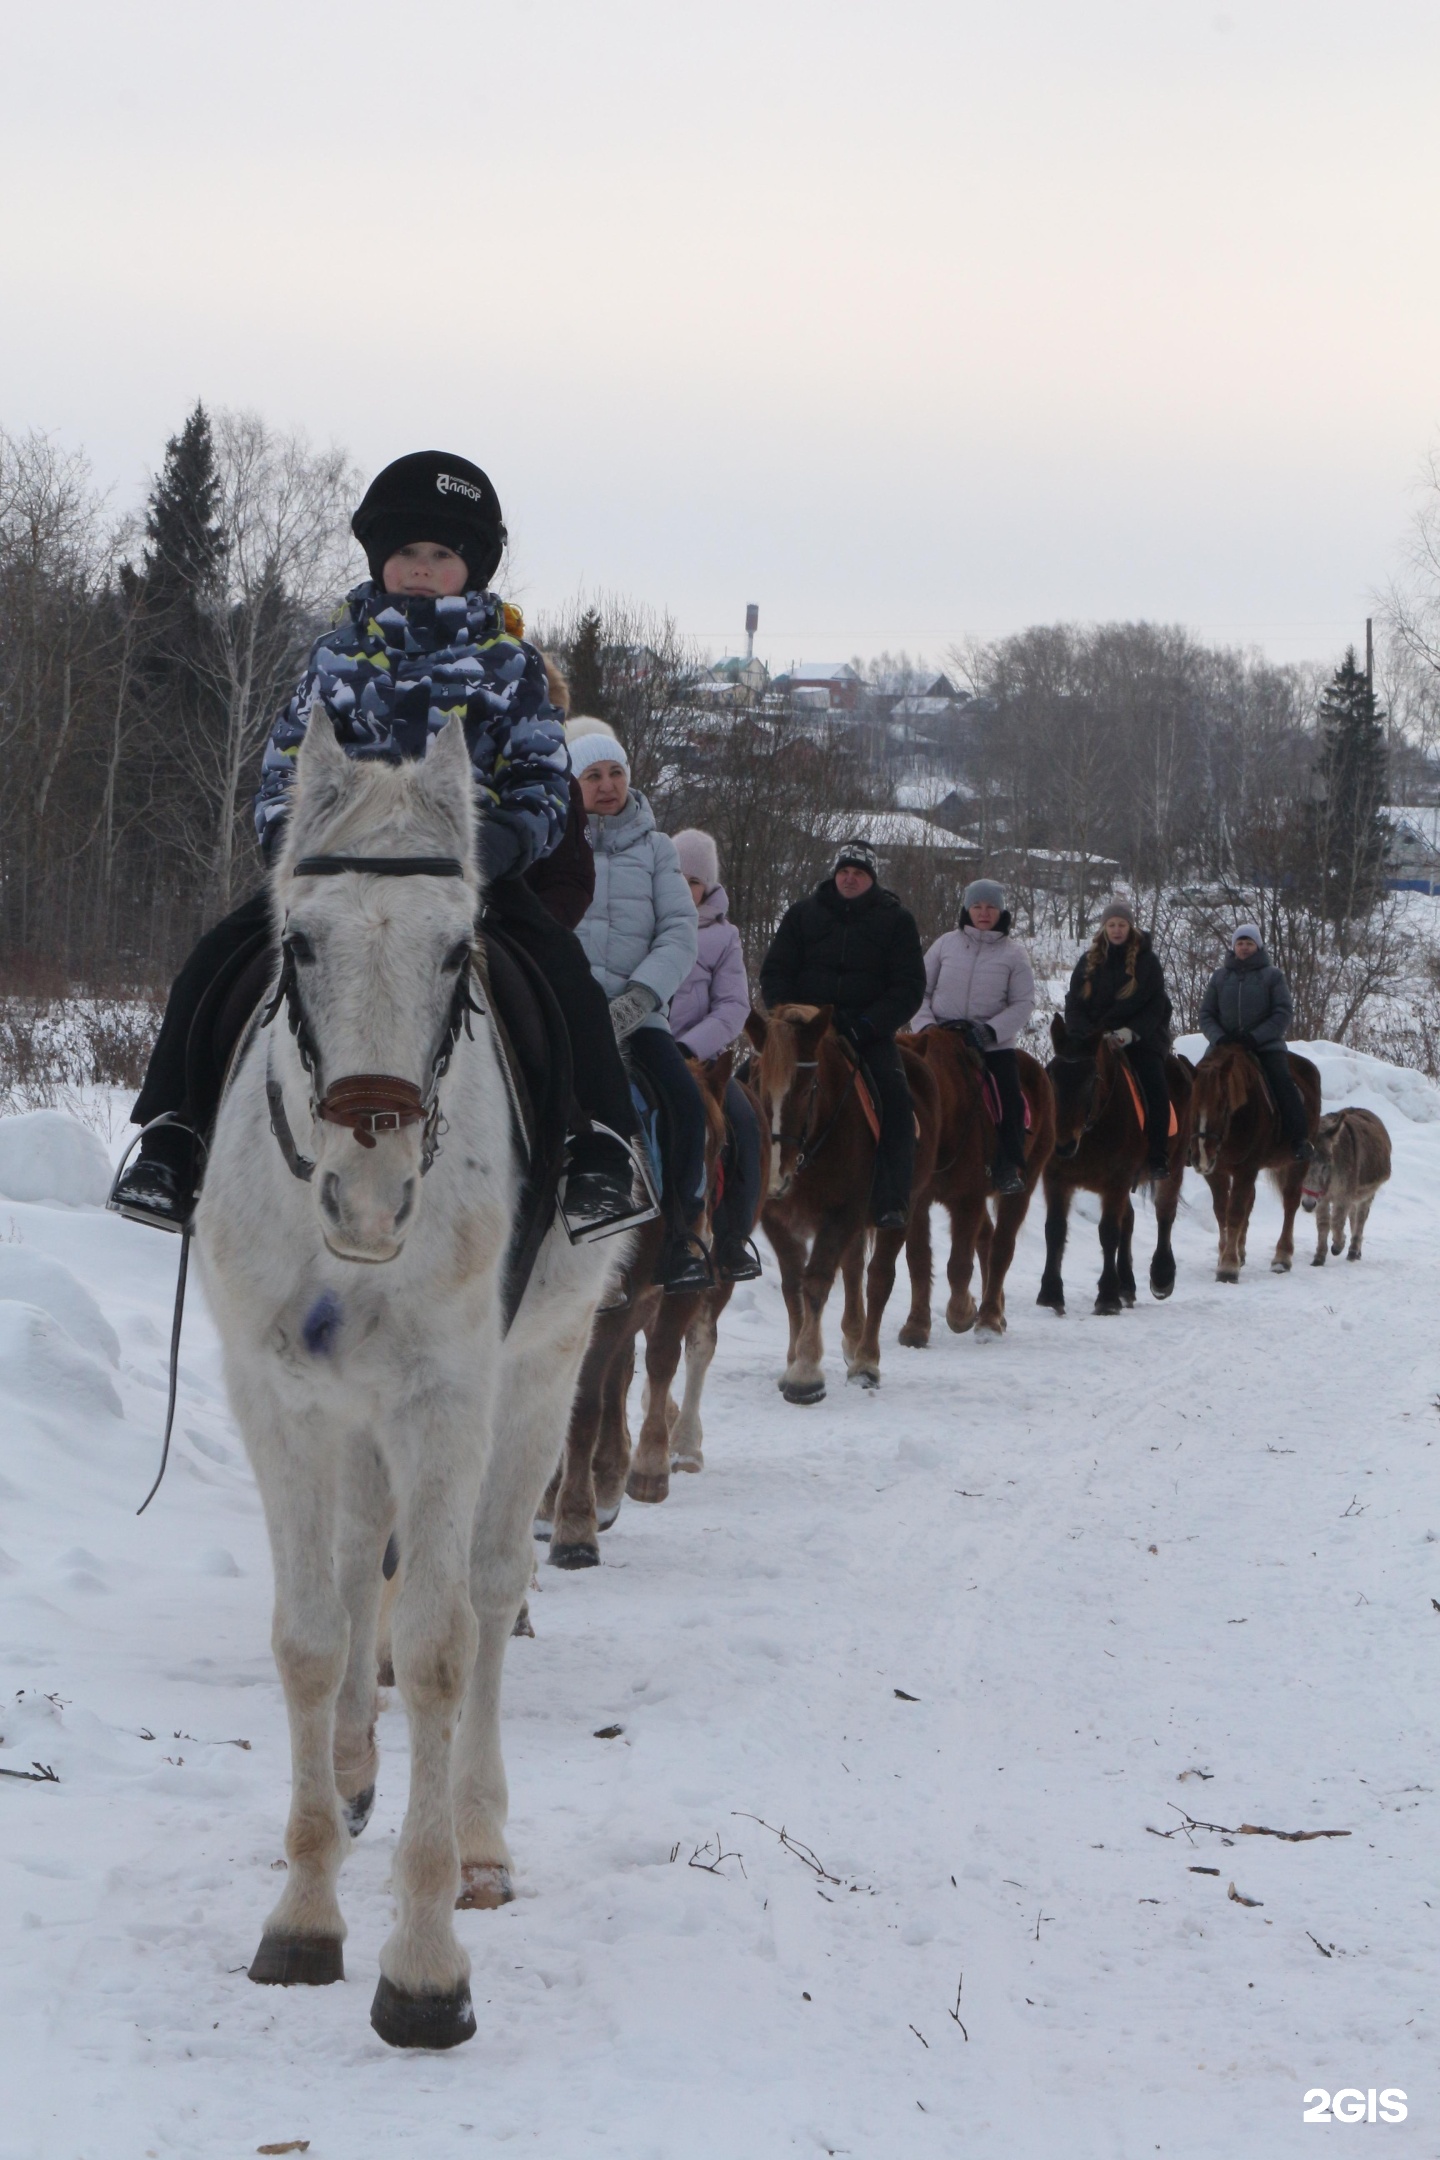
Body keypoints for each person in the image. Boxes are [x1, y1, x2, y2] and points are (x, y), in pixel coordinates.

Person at [111, 450, 640, 1236]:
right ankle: (175, 1133)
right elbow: (282, 774)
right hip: (340, 871)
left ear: (472, 567)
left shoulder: (509, 664)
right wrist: (293, 851)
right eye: (407, 554)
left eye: (442, 556)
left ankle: (596, 1141)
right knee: (217, 961)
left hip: (461, 875)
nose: (422, 570)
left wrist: (488, 853)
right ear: (380, 559)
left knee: (561, 976)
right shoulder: (333, 657)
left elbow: (538, 785)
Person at [568, 722, 711, 1294]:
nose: (607, 786)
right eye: (593, 776)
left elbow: (681, 930)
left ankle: (680, 1237)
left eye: (616, 773)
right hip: (570, 1014)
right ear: (573, 785)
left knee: (684, 1104)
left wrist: (642, 998)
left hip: (639, 1014)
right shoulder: (554, 847)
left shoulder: (657, 851)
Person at [759, 839, 926, 1228]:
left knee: (897, 1103)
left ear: (872, 879)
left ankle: (890, 1201)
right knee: (745, 1090)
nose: (850, 879)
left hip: (865, 1031)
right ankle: (740, 1187)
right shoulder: (802, 915)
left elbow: (908, 988)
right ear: (835, 875)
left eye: (859, 873)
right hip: (801, 1031)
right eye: (844, 872)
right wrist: (786, 1018)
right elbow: (775, 971)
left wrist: (867, 1024)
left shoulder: (897, 921)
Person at [667, 828, 763, 1281]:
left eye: (694, 881)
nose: (685, 888)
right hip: (640, 1047)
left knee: (743, 1127)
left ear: (708, 886)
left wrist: (688, 1045)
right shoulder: (644, 920)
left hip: (700, 1060)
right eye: (676, 877)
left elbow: (733, 1007)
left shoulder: (725, 938)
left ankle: (731, 1239)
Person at [912, 877, 1036, 1195]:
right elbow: (918, 990)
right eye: (977, 906)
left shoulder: (1014, 955)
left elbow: (1023, 1004)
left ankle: (1008, 1165)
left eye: (991, 907)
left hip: (991, 1044)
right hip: (938, 1037)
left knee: (1009, 1095)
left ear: (1001, 911)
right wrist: (926, 1027)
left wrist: (990, 1031)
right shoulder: (945, 944)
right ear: (967, 909)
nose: (983, 912)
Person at [1062, 895, 1173, 1178]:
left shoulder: (1147, 962)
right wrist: (1082, 1034)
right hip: (1093, 1038)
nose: (1116, 930)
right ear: (1103, 928)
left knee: (1155, 1086)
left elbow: (1156, 1006)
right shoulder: (1088, 962)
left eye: (1122, 924)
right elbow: (1074, 1004)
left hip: (1140, 1039)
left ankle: (1158, 1155)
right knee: (1063, 1076)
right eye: (1111, 924)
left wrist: (1127, 1034)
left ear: (1131, 927)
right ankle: (1060, 1140)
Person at [1199, 922, 1313, 1161]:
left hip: (1263, 1047)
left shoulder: (1273, 976)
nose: (1244, 947)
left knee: (1282, 1081)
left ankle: (1297, 1139)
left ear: (1258, 946)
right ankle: (1190, 1140)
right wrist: (1219, 1037)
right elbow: (1206, 1014)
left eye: (1249, 943)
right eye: (1240, 943)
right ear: (1233, 947)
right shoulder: (1219, 977)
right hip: (1223, 1047)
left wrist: (1255, 1037)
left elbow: (1282, 1012)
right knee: (1199, 1084)